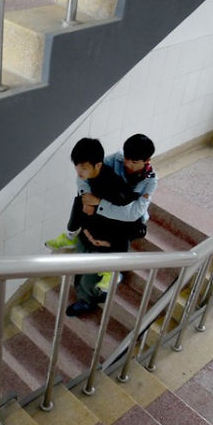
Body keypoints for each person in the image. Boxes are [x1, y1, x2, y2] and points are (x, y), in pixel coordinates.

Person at [45, 134, 157, 315]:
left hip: (123, 226)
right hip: (98, 221)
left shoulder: (150, 180)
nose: (127, 164)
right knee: (81, 258)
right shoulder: (116, 159)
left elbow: (132, 213)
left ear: (146, 160)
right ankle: (76, 241)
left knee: (95, 269)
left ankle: (91, 297)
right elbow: (86, 174)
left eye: (134, 161)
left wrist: (97, 204)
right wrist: (87, 201)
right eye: (126, 158)